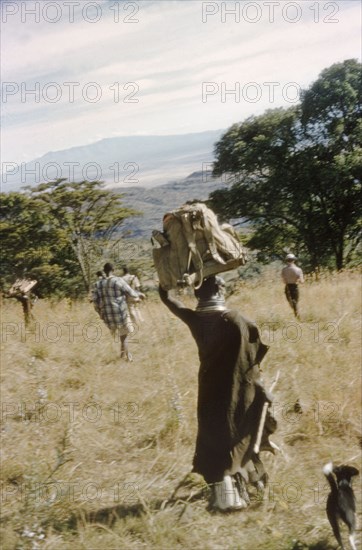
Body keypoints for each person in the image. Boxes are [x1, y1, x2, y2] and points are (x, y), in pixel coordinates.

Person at [159, 276, 277, 511]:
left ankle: (229, 489)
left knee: (215, 435)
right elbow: (253, 355)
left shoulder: (194, 319)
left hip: (209, 389)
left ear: (197, 295)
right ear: (220, 289)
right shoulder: (237, 319)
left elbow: (169, 300)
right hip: (239, 389)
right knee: (240, 432)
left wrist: (165, 282)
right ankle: (244, 485)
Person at [93, 263, 144, 362]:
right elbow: (131, 293)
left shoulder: (99, 284)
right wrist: (140, 295)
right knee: (124, 335)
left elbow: (95, 301)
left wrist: (101, 313)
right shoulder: (118, 280)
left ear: (104, 270)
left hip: (108, 315)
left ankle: (122, 355)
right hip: (120, 313)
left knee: (122, 335)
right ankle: (128, 357)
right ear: (113, 269)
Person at [281, 253, 304, 318]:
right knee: (295, 302)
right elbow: (302, 281)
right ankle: (297, 315)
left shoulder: (284, 270)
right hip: (295, 287)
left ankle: (297, 315)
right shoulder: (298, 270)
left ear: (286, 260)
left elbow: (284, 281)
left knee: (291, 303)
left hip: (287, 287)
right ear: (294, 260)